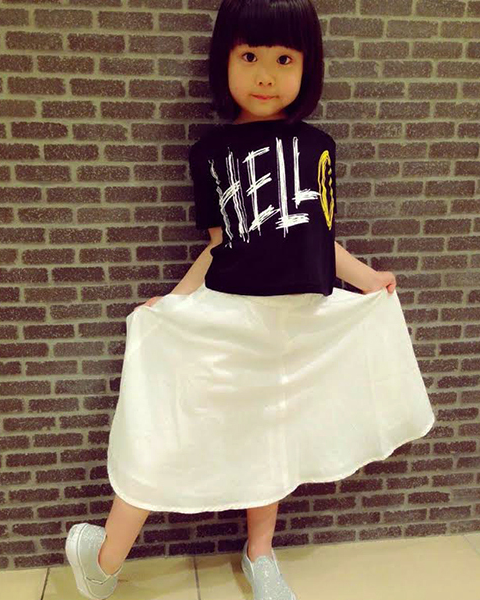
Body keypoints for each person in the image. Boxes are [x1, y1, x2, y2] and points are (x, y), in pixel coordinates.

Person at [65, 1, 436, 599]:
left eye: (284, 59)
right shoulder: (210, 152)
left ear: (307, 66)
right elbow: (221, 243)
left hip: (299, 323)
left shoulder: (319, 145)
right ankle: (103, 558)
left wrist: (367, 277)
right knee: (167, 430)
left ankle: (260, 553)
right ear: (225, 61)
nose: (266, 74)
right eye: (250, 56)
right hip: (228, 320)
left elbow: (317, 234)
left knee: (274, 440)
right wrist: (173, 303)